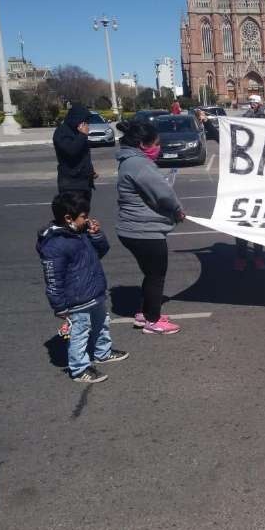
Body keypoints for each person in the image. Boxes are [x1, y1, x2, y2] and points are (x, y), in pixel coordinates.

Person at [37, 191, 128, 383]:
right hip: (77, 299)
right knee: (79, 333)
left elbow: (101, 251)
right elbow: (53, 278)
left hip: (94, 292)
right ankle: (79, 369)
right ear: (68, 218)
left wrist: (96, 235)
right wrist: (59, 306)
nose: (87, 220)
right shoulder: (55, 244)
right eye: (84, 216)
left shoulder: (80, 233)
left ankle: (102, 352)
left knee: (102, 324)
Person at [115, 120, 186, 334]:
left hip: (132, 228)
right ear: (143, 145)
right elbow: (164, 194)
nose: (159, 148)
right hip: (144, 231)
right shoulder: (139, 164)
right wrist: (177, 210)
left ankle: (145, 313)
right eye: (156, 144)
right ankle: (153, 321)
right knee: (156, 275)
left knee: (150, 274)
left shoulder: (129, 161)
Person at [237, 96, 265, 269]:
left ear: (260, 104)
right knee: (241, 223)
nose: (252, 104)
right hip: (245, 178)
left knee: (258, 224)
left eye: (254, 102)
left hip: (260, 179)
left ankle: (258, 256)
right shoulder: (245, 116)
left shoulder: (264, 117)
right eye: (250, 102)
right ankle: (241, 257)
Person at [53, 104, 95, 202]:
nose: (86, 124)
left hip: (84, 183)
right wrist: (82, 135)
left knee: (84, 210)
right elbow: (71, 150)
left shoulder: (77, 132)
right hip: (71, 184)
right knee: (74, 210)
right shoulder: (62, 132)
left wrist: (90, 170)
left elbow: (83, 155)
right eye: (84, 120)